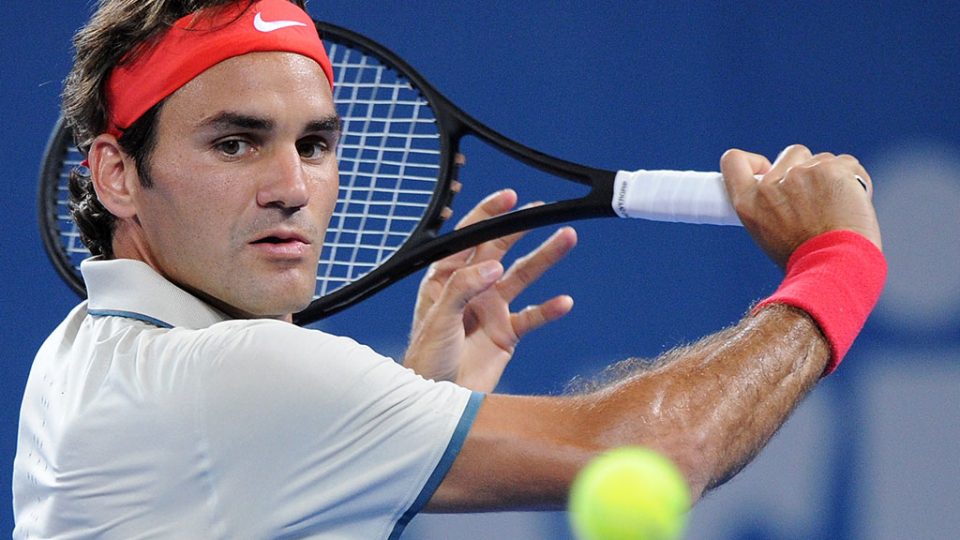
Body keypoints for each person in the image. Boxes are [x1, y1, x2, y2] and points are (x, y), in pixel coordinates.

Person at [13, 0, 887, 538]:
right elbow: (660, 449)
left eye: (315, 143)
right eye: (235, 141)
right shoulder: (232, 377)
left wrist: (414, 390)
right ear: (117, 173)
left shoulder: (81, 350)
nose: (291, 187)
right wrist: (838, 262)